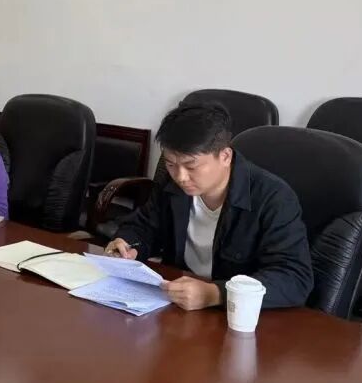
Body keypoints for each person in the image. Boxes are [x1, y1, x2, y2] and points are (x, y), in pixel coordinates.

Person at [106, 103, 313, 311]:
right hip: (178, 301)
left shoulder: (273, 198)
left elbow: (294, 277)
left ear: (225, 156)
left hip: (237, 315)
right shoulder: (172, 183)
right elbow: (144, 226)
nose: (180, 177)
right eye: (170, 164)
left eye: (191, 166)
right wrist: (127, 244)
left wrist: (216, 294)